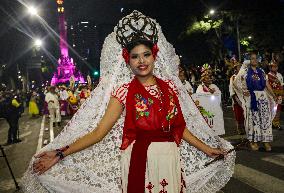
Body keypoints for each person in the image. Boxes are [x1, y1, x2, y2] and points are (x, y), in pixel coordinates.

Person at [23, 11, 235, 193]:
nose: (141, 61)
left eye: (146, 55)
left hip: (168, 158)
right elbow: (98, 133)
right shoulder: (123, 92)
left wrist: (207, 149)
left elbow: (179, 127)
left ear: (154, 57)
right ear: (128, 60)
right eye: (135, 56)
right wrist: (60, 153)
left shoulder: (169, 89)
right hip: (138, 160)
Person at [234, 52, 277, 151]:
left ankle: (266, 141)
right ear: (248, 60)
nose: (254, 60)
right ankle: (253, 141)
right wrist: (243, 91)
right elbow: (236, 83)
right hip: (251, 98)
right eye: (252, 58)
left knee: (265, 120)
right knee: (253, 121)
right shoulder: (244, 71)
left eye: (256, 58)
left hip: (262, 97)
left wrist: (273, 95)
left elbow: (266, 83)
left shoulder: (261, 71)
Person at [229, 63, 245, 135]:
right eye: (238, 67)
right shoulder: (232, 78)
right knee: (238, 115)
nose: (240, 68)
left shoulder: (244, 76)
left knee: (244, 114)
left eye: (240, 67)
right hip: (237, 98)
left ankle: (245, 127)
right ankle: (239, 128)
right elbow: (232, 89)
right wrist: (235, 98)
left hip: (244, 97)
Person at [267, 60, 283, 130]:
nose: (275, 68)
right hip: (271, 95)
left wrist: (282, 94)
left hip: (279, 95)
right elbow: (267, 87)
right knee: (271, 109)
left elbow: (282, 85)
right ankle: (271, 123)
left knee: (278, 109)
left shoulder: (279, 75)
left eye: (276, 66)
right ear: (270, 68)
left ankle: (277, 123)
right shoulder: (267, 76)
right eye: (273, 67)